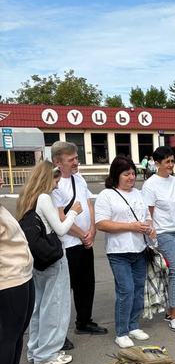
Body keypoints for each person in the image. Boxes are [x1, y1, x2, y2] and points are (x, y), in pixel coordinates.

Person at [16, 161, 82, 364]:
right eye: (56, 180)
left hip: (38, 260)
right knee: (55, 307)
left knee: (39, 307)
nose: (57, 184)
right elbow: (61, 229)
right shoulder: (44, 197)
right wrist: (74, 212)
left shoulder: (28, 197)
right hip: (53, 259)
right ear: (48, 178)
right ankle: (47, 353)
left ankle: (35, 350)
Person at [51, 141, 107, 349]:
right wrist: (83, 234)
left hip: (85, 241)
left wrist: (92, 229)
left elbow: (89, 204)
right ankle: (57, 334)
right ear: (58, 162)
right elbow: (60, 217)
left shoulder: (79, 178)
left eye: (76, 158)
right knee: (64, 291)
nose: (76, 162)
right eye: (71, 159)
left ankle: (84, 321)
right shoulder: (54, 184)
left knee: (86, 284)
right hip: (68, 244)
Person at [95, 156, 156, 348]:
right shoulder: (107, 195)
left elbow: (147, 216)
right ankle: (121, 332)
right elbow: (101, 223)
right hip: (118, 251)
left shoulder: (138, 193)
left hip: (140, 248)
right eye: (126, 174)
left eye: (133, 173)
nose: (131, 177)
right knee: (126, 290)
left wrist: (149, 227)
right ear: (116, 175)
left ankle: (133, 325)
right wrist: (131, 226)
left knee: (138, 289)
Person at [0, 176, 41, 364]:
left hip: (22, 275)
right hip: (8, 279)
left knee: (18, 331)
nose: (1, 180)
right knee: (7, 333)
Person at [142, 146, 175, 331]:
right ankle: (174, 315)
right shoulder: (150, 185)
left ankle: (171, 310)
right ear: (157, 163)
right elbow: (148, 213)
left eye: (172, 161)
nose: (171, 165)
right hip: (164, 233)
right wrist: (151, 236)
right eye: (167, 162)